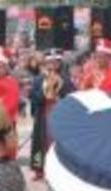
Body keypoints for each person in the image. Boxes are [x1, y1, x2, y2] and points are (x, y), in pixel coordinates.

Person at [28, 49, 74, 181]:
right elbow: (32, 95)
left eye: (55, 62)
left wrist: (59, 96)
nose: (53, 65)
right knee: (40, 141)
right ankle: (39, 169)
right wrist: (44, 96)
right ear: (46, 63)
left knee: (57, 142)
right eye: (50, 62)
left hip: (59, 115)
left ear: (60, 63)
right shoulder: (39, 79)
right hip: (43, 114)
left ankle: (60, 169)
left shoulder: (66, 80)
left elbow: (71, 96)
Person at [0, 47, 21, 124]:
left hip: (6, 120)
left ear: (6, 68)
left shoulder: (12, 83)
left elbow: (12, 103)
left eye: (0, 67)